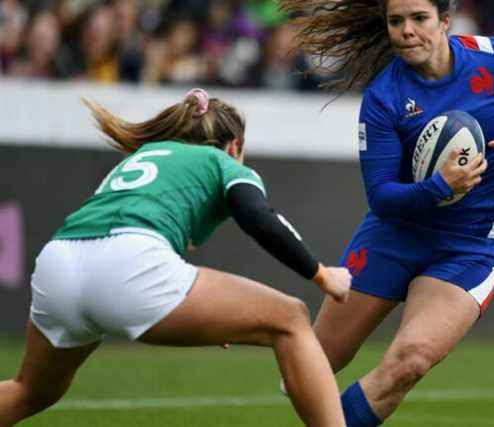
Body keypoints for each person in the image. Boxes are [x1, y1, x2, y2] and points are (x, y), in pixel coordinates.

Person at [280, 0, 494, 425]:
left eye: (419, 19)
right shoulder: (384, 96)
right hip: (394, 235)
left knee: (410, 361)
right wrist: (441, 186)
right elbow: (381, 197)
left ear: (445, 22)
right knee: (306, 371)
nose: (407, 30)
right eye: (396, 21)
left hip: (468, 246)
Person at [0, 89, 350, 427]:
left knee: (30, 390)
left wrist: (218, 314)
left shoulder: (144, 157)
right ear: (236, 146)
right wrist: (320, 274)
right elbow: (258, 217)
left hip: (58, 263)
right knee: (291, 316)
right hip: (127, 263)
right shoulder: (221, 161)